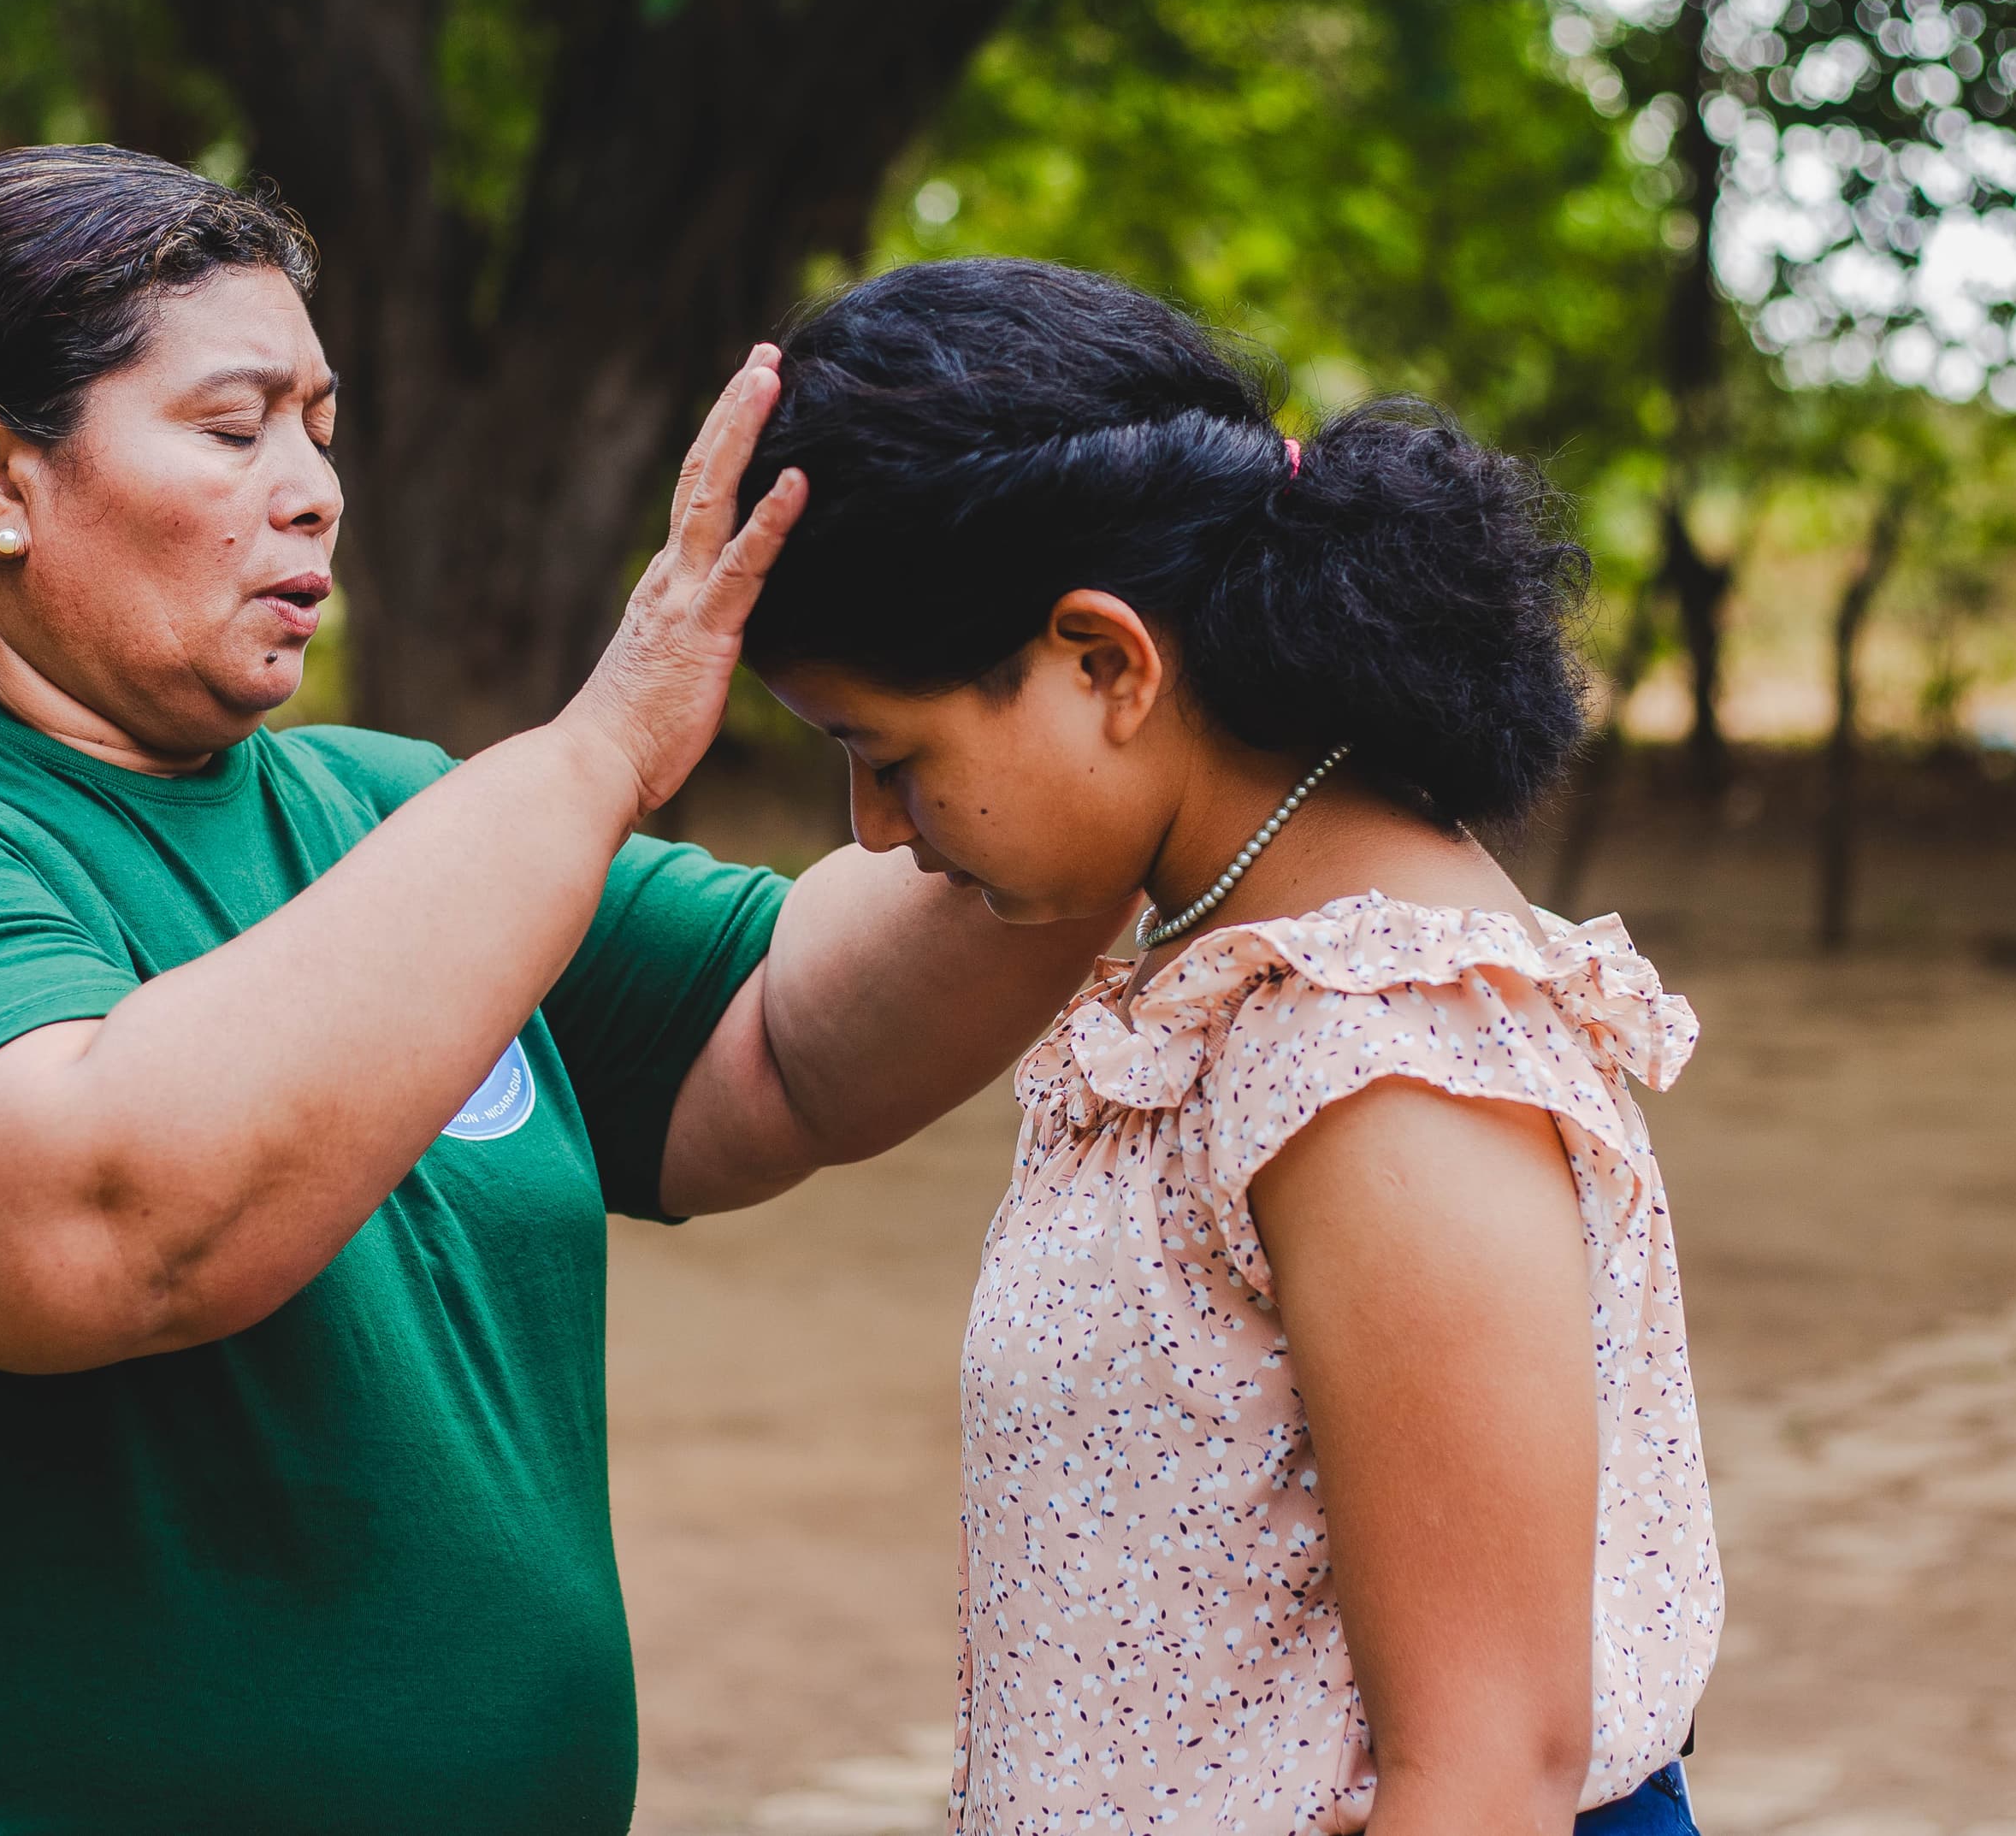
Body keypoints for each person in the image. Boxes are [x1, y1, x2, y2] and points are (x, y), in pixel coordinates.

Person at [0, 148, 1120, 1834]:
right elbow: (117, 1215)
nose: (313, 488)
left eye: (321, 427)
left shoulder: (382, 814)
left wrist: (1095, 772)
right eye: (237, 428)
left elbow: (779, 1040)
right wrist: (606, 745)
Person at [733, 259, 1719, 1836]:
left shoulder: (1384, 1056)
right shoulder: (1233, 982)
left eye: (886, 756)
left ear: (1105, 662)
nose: (873, 832)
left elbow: (1485, 1778)